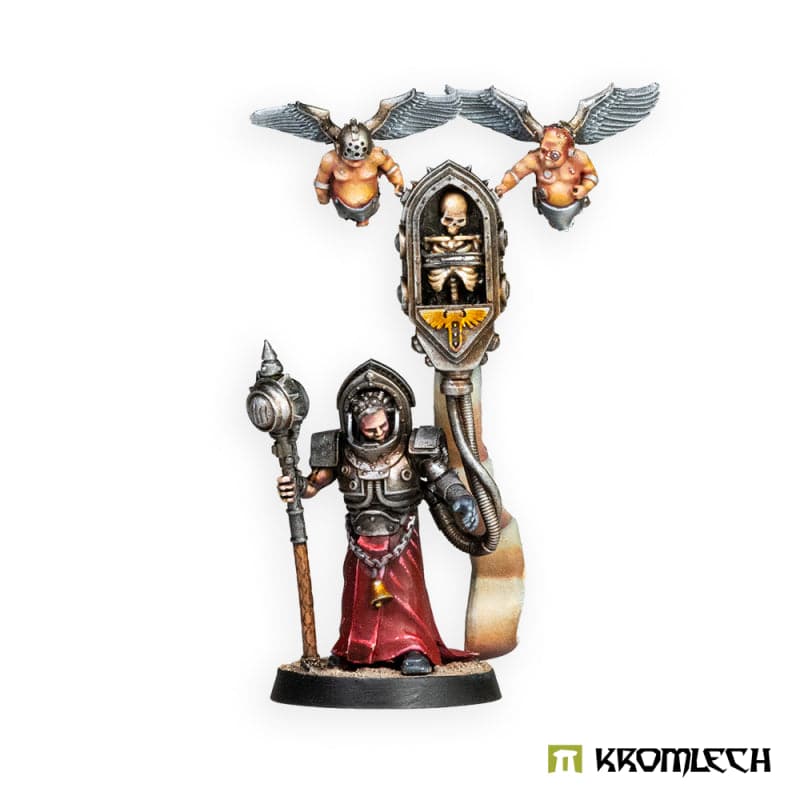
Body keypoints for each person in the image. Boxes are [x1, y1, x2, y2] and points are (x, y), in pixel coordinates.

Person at [277, 360, 477, 675]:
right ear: (355, 424)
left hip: (401, 538)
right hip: (360, 539)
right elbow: (313, 485)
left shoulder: (413, 446)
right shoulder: (340, 448)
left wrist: (459, 497)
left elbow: (440, 475)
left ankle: (411, 647)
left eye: (382, 427)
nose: (377, 434)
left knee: (405, 596)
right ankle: (356, 649)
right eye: (370, 430)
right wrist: (295, 486)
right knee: (358, 598)